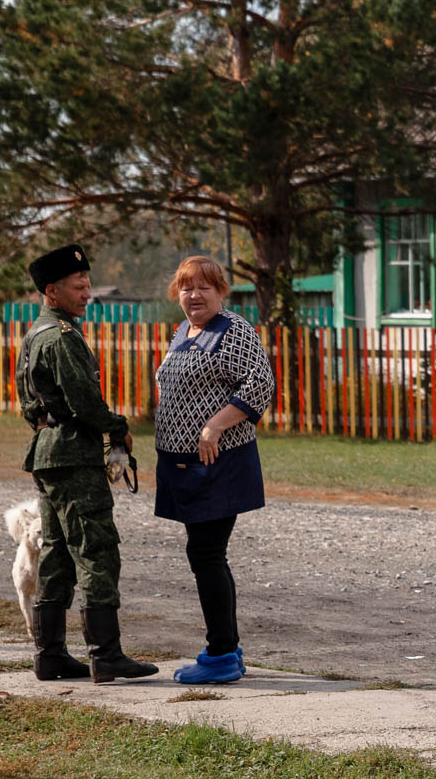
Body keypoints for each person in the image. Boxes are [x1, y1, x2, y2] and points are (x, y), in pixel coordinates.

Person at [14, 244, 159, 682]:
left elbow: (28, 405)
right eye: (78, 287)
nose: (87, 293)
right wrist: (118, 427)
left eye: (88, 285)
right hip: (74, 456)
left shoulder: (34, 334)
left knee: (57, 552)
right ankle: (106, 654)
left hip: (47, 454)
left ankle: (51, 654)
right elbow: (84, 401)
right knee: (97, 550)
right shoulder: (61, 337)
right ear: (52, 291)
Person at [152, 256, 275, 684]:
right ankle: (228, 649)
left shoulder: (233, 329)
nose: (194, 294)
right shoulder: (182, 332)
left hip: (218, 464)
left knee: (206, 554)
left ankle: (221, 655)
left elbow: (260, 384)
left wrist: (213, 425)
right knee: (204, 554)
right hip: (181, 466)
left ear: (221, 291)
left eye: (205, 286)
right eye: (187, 287)